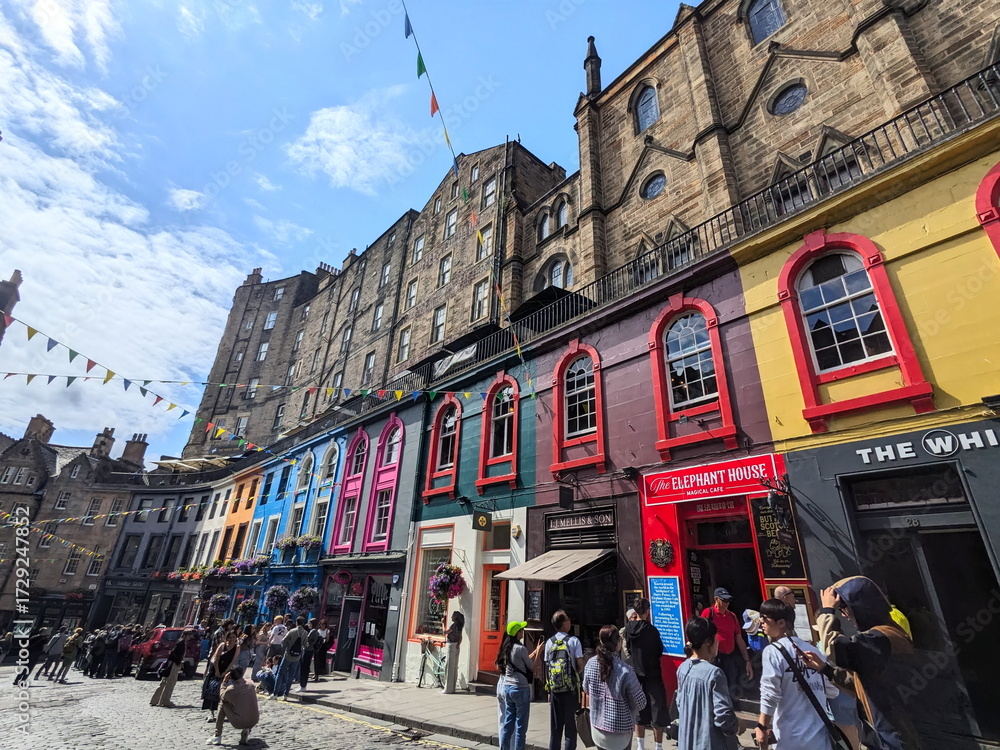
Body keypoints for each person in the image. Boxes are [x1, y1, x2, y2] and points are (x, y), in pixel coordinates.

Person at [801, 577, 923, 750]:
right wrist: (825, 669)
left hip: (893, 737)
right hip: (882, 734)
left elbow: (833, 648)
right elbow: (860, 683)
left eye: (844, 608)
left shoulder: (881, 638)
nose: (844, 614)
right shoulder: (880, 636)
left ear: (861, 606)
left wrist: (827, 611)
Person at [755, 598, 837, 749]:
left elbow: (770, 693)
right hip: (818, 737)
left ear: (781, 623)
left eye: (765, 618)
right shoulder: (814, 651)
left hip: (789, 738)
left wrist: (762, 725)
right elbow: (832, 690)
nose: (761, 621)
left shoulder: (772, 651)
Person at [675, 617, 741, 750]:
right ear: (707, 643)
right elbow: (723, 716)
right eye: (715, 639)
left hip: (687, 742)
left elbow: (679, 704)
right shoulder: (715, 674)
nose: (718, 642)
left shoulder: (682, 668)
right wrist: (737, 725)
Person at [582, 625, 646, 750]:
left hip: (597, 729)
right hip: (620, 734)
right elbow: (640, 702)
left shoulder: (590, 664)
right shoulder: (626, 670)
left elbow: (585, 688)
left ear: (601, 641)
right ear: (618, 643)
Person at [624, 598, 669, 750]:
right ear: (647, 611)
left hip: (637, 673)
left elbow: (629, 650)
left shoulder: (628, 629)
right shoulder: (651, 631)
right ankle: (658, 746)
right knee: (657, 710)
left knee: (639, 711)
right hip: (653, 674)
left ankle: (640, 746)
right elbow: (658, 651)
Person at [542, 610, 584, 750]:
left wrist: (549, 689)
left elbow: (547, 667)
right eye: (568, 619)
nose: (570, 622)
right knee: (570, 731)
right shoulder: (573, 641)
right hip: (571, 691)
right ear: (563, 623)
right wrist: (575, 675)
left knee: (555, 730)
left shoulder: (549, 642)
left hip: (555, 691)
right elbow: (580, 664)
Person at [700, 589, 753, 697]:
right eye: (724, 601)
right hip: (715, 657)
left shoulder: (732, 616)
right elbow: (700, 633)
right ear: (716, 599)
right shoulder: (708, 613)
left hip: (729, 656)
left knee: (731, 684)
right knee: (715, 685)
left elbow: (739, 638)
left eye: (728, 601)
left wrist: (747, 660)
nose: (727, 604)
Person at [496, 621, 533, 750]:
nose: (522, 631)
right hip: (520, 688)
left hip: (507, 687)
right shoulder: (520, 648)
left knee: (508, 723)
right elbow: (531, 667)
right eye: (521, 630)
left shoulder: (507, 647)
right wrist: (538, 653)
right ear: (517, 633)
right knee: (520, 727)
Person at [207, 666, 260, 746]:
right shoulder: (251, 683)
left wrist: (224, 682)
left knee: (223, 703)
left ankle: (217, 735)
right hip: (254, 720)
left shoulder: (231, 689)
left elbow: (221, 696)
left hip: (239, 722)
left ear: (231, 677)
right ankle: (247, 729)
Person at [151, 629, 195, 707]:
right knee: (170, 683)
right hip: (174, 664)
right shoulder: (181, 643)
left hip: (171, 663)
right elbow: (173, 654)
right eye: (189, 635)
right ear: (185, 635)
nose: (190, 637)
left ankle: (155, 700)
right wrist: (179, 662)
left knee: (164, 682)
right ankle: (165, 701)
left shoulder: (180, 642)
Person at [203, 631, 240, 722]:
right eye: (230, 637)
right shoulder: (222, 645)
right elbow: (216, 658)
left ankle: (226, 713)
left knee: (226, 693)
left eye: (234, 637)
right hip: (216, 669)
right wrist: (217, 671)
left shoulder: (237, 647)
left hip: (227, 671)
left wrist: (225, 672)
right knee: (212, 692)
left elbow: (233, 661)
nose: (232, 639)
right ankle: (211, 713)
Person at [271, 616, 307, 701]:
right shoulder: (305, 633)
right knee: (290, 677)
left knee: (280, 674)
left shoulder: (292, 631)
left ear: (297, 622)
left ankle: (275, 694)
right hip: (297, 657)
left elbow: (283, 641)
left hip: (287, 656)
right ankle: (285, 695)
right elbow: (305, 645)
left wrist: (287, 648)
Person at [443, 611, 465, 694]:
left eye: (452, 615)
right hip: (456, 645)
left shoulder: (453, 625)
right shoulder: (460, 626)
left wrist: (443, 624)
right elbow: (460, 636)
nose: (451, 617)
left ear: (455, 616)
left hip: (451, 645)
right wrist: (458, 644)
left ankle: (448, 689)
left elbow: (445, 632)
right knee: (454, 667)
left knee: (449, 667)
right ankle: (453, 688)